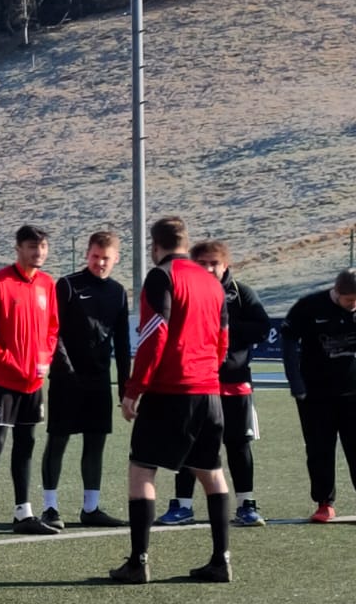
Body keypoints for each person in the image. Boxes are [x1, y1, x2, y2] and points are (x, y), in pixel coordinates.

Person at [112, 216, 232, 583]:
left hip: (171, 391)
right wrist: (207, 373)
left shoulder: (162, 276)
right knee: (212, 473)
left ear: (155, 245)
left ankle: (139, 561)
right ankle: (221, 559)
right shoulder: (211, 281)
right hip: (209, 392)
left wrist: (134, 388)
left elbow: (155, 335)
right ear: (185, 242)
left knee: (142, 469)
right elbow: (223, 339)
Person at [158, 241, 273, 527]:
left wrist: (223, 326)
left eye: (214, 263)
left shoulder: (242, 293)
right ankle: (182, 505)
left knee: (238, 445)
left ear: (225, 265)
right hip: (195, 384)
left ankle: (246, 504)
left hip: (235, 386)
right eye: (202, 263)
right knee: (189, 445)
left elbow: (262, 328)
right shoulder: (183, 291)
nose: (209, 269)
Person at [0, 224, 60, 539]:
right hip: (1, 381)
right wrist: (8, 360)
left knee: (26, 444)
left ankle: (24, 513)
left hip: (33, 382)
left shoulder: (47, 284)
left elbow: (52, 329)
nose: (39, 252)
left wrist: (45, 358)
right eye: (32, 247)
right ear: (18, 248)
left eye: (43, 246)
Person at [39, 231, 130, 529]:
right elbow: (53, 331)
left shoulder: (118, 292)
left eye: (106, 258)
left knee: (95, 443)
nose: (100, 263)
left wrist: (125, 388)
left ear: (116, 259)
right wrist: (65, 368)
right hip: (66, 380)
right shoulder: (67, 285)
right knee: (58, 440)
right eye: (95, 256)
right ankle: (50, 508)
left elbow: (122, 344)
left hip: (99, 382)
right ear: (87, 255)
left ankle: (91, 508)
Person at [279, 267, 356, 523]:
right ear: (337, 292)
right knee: (319, 449)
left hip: (353, 392)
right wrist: (295, 381)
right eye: (349, 300)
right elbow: (288, 340)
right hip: (315, 394)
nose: (353, 305)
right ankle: (324, 503)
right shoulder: (309, 306)